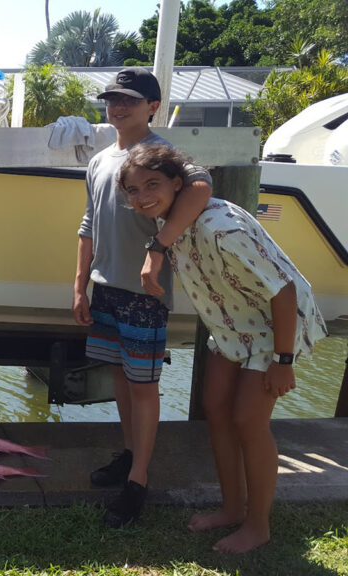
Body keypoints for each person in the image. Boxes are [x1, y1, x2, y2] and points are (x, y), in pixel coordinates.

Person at [118, 144, 327, 553]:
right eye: (132, 189)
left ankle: (258, 524)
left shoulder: (219, 226)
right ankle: (232, 508)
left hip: (272, 328)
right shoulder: (169, 229)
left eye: (152, 184)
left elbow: (283, 292)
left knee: (249, 420)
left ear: (178, 184)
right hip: (232, 328)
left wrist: (283, 362)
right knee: (215, 408)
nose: (141, 196)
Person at [73, 67, 214, 528]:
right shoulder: (99, 160)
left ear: (152, 106)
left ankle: (137, 481)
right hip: (107, 288)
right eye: (112, 99)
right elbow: (89, 224)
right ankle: (130, 453)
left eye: (129, 99)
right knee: (119, 377)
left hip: (145, 295)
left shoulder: (161, 154)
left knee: (143, 385)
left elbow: (200, 187)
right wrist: (80, 284)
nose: (118, 106)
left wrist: (158, 248)